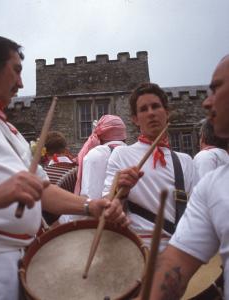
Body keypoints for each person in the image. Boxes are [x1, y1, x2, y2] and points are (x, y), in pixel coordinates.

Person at [0, 30, 129, 300]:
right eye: (16, 70)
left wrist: (89, 206)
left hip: (23, 264)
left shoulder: (10, 130)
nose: (21, 84)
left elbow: (42, 189)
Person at [141, 54, 229, 300]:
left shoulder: (190, 163)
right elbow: (176, 262)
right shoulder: (211, 186)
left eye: (217, 88)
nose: (206, 102)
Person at [103, 82, 195, 251]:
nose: (151, 113)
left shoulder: (185, 161)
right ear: (135, 119)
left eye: (155, 106)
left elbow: (196, 212)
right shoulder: (122, 155)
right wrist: (120, 192)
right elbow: (108, 209)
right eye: (144, 109)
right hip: (136, 250)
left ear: (166, 112)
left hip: (177, 252)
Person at [59, 114, 127, 223]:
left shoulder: (95, 155)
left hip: (98, 226)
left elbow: (89, 197)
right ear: (124, 135)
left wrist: (63, 223)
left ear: (101, 135)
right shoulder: (132, 154)